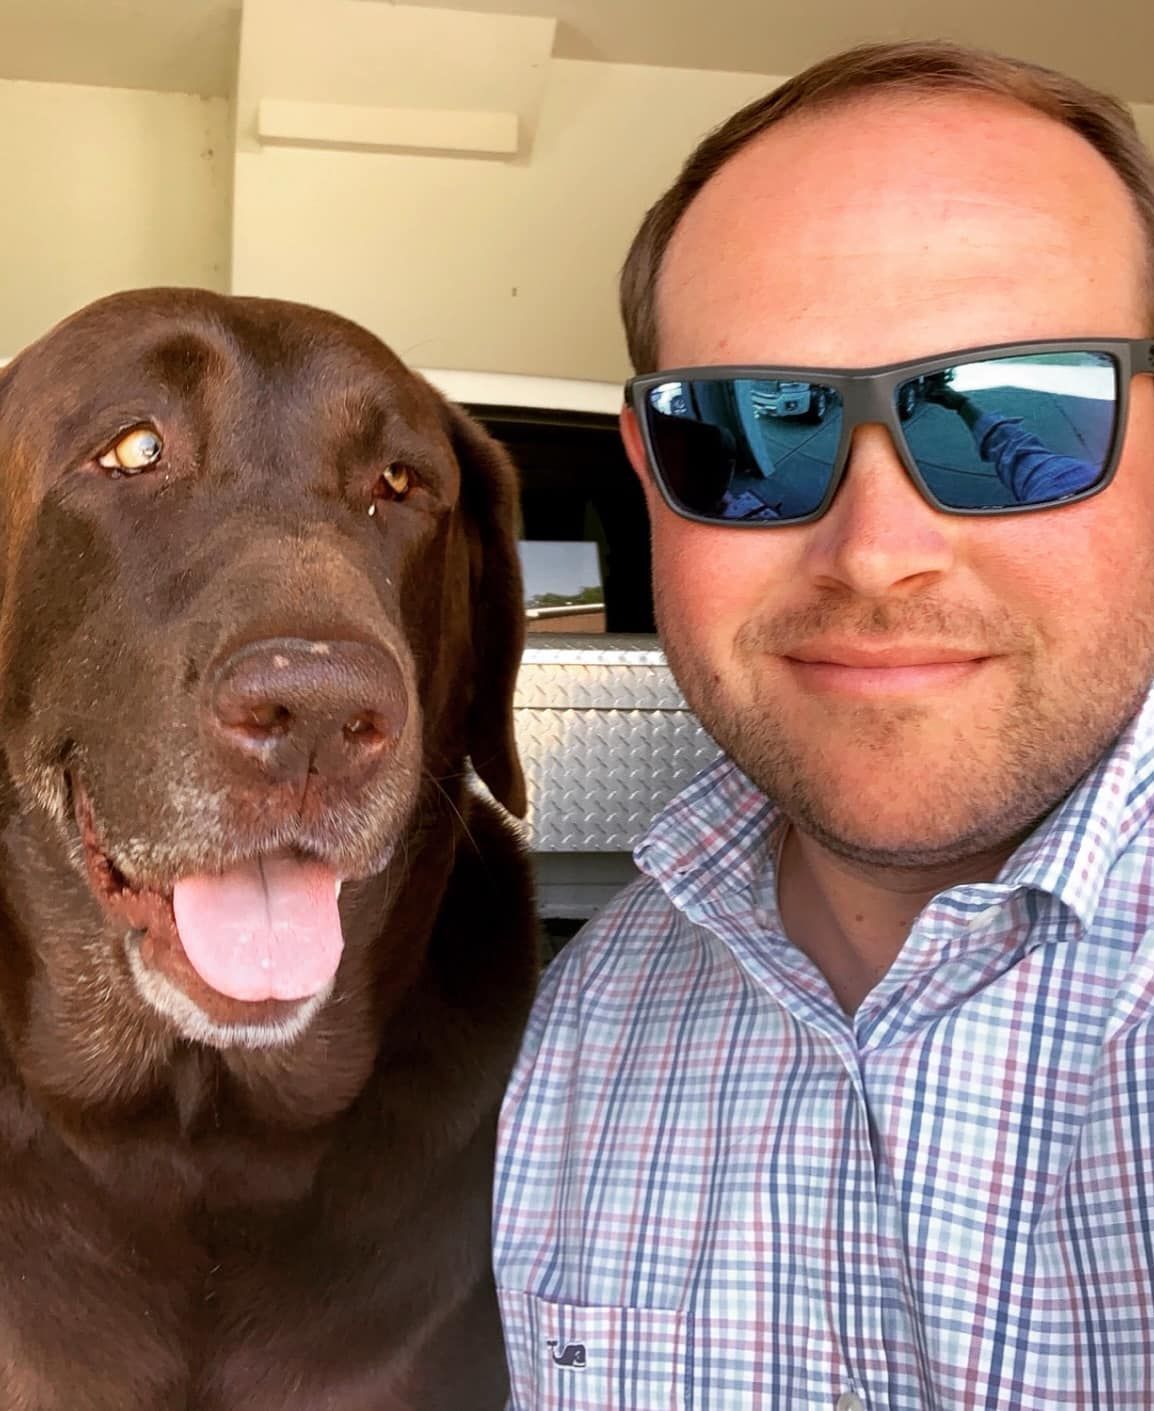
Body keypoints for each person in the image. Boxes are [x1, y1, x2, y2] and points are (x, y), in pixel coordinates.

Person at [493, 39, 1154, 1408]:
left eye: (1008, 416)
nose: (873, 552)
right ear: (651, 475)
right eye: (747, 430)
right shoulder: (570, 1044)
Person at [922, 377, 1103, 501]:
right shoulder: (1076, 483)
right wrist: (962, 405)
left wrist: (962, 405)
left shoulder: (1065, 485)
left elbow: (1014, 452)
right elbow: (1016, 452)